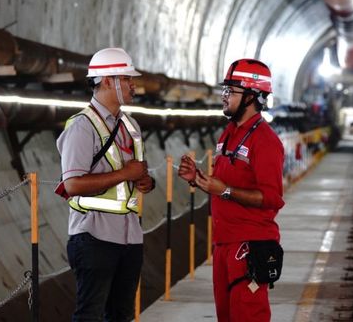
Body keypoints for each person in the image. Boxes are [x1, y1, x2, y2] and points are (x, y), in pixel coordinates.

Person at [178, 59, 285, 322]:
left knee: (248, 315)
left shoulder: (266, 141)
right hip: (224, 243)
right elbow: (225, 186)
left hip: (249, 244)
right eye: (225, 91)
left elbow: (271, 199)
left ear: (251, 96)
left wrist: (224, 190)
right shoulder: (228, 134)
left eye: (231, 91)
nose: (224, 97)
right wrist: (200, 180)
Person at [55, 47, 156, 322]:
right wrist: (125, 173)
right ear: (108, 81)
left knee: (121, 315)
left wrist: (145, 180)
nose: (133, 85)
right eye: (127, 79)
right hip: (94, 237)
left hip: (130, 236)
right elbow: (73, 184)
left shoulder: (131, 125)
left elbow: (136, 175)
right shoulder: (81, 127)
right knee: (90, 315)